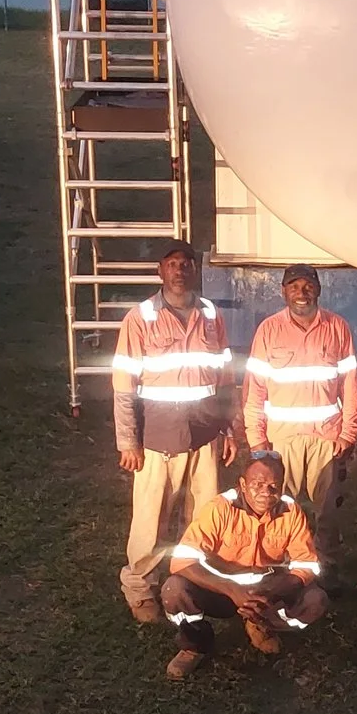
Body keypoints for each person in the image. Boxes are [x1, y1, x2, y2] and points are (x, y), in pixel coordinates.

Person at [114, 239, 237, 623]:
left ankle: (194, 581)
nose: (180, 271)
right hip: (157, 438)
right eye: (172, 264)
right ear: (160, 271)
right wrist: (127, 440)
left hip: (204, 435)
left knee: (203, 515)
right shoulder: (141, 318)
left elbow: (226, 380)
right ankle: (140, 588)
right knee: (151, 516)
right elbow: (123, 385)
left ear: (195, 270)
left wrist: (228, 430)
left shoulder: (212, 316)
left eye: (186, 264)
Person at [160, 451, 327, 679]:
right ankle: (195, 644)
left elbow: (307, 565)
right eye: (257, 484)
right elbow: (182, 560)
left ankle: (263, 624)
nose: (265, 493)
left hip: (266, 589)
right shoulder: (220, 508)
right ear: (242, 484)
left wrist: (269, 593)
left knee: (314, 601)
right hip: (221, 589)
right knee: (175, 590)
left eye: (273, 486)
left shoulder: (291, 511)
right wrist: (231, 589)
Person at [243, 264, 357, 544]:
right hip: (282, 440)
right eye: (294, 286)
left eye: (308, 286)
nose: (302, 293)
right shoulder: (268, 330)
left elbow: (350, 385)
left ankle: (327, 572)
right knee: (280, 510)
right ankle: (281, 567)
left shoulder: (337, 327)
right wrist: (257, 441)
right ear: (283, 291)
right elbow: (255, 390)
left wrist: (349, 433)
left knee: (328, 515)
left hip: (327, 438)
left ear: (318, 289)